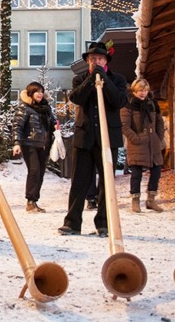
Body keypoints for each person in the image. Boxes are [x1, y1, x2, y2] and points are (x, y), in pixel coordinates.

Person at [58, 41, 127, 236]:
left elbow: (120, 101)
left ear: (106, 61)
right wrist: (91, 79)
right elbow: (77, 98)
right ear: (88, 61)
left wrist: (104, 79)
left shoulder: (118, 80)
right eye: (92, 59)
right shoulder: (80, 79)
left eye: (99, 58)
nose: (96, 61)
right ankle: (72, 223)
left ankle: (104, 223)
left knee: (106, 183)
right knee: (79, 182)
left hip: (108, 138)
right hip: (84, 137)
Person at [120, 78, 165, 213]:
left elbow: (159, 121)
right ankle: (135, 200)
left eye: (145, 90)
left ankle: (151, 199)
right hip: (137, 144)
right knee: (136, 173)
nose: (142, 93)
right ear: (134, 90)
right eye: (140, 90)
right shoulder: (128, 105)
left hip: (153, 143)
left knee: (156, 171)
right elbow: (124, 126)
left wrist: (158, 137)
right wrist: (136, 139)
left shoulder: (152, 103)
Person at [12, 81, 56, 213]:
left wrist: (56, 126)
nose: (40, 94)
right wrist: (16, 143)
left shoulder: (46, 109)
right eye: (37, 91)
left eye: (41, 92)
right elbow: (17, 126)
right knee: (34, 171)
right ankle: (30, 201)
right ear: (30, 93)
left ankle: (34, 201)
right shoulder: (24, 108)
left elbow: (52, 123)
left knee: (41, 173)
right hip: (29, 144)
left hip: (44, 145)